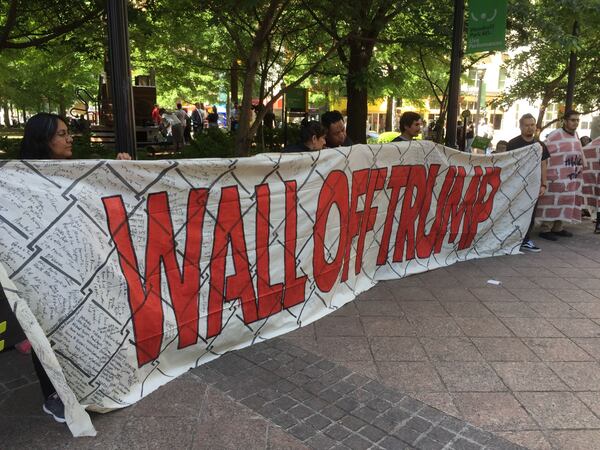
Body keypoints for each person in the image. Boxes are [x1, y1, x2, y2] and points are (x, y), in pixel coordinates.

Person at [16, 113, 130, 424]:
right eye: (62, 134)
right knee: (45, 327)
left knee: (73, 328)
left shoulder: (71, 171)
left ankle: (81, 386)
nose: (70, 139)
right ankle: (53, 396)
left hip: (74, 266)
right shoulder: (20, 180)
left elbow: (100, 191)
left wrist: (121, 169)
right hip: (40, 271)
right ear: (44, 140)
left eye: (69, 133)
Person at [536, 110, 583, 241]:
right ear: (565, 121)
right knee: (552, 201)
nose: (576, 123)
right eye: (573, 120)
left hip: (570, 177)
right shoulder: (555, 135)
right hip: (555, 177)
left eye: (577, 120)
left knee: (565, 201)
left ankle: (558, 227)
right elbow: (544, 151)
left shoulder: (576, 135)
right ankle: (545, 228)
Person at [507, 113, 550, 252]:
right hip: (516, 184)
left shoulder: (540, 145)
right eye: (526, 125)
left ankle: (525, 240)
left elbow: (544, 165)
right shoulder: (513, 144)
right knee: (514, 211)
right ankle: (510, 239)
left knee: (530, 212)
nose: (530, 128)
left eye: (532, 125)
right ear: (521, 126)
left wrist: (544, 184)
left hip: (533, 185)